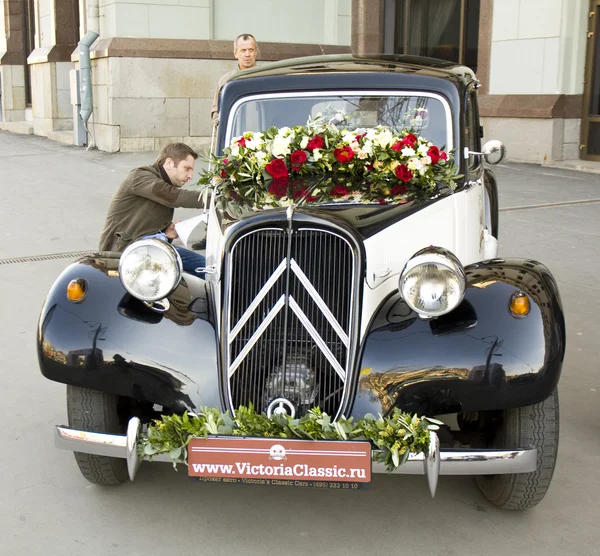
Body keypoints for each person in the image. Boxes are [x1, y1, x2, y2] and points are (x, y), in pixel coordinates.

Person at [98, 142, 207, 276]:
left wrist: (166, 234)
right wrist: (215, 198)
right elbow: (173, 196)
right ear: (169, 163)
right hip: (123, 255)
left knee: (204, 271)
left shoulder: (164, 183)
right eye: (187, 168)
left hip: (147, 251)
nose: (190, 176)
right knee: (205, 269)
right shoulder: (140, 176)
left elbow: (147, 228)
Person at [211, 33, 258, 127]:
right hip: (234, 137)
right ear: (236, 53)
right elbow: (216, 112)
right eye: (243, 50)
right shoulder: (226, 80)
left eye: (251, 50)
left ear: (256, 52)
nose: (247, 54)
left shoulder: (265, 77)